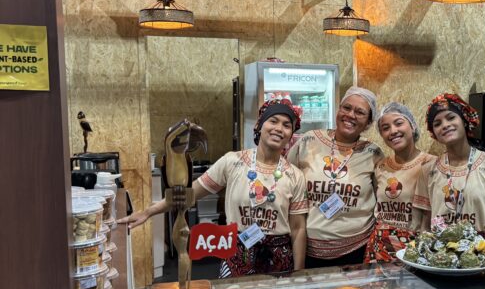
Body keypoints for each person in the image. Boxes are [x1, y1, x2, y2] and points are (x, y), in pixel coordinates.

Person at [118, 99, 308, 276]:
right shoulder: (233, 162)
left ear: (291, 134)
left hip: (279, 259)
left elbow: (298, 229)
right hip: (237, 255)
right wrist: (148, 212)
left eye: (286, 125)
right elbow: (188, 195)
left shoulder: (295, 176)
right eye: (273, 121)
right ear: (259, 125)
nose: (279, 129)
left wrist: (298, 275)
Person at [288, 86, 384, 268]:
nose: (351, 115)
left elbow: (383, 196)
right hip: (306, 249)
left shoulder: (373, 153)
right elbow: (286, 180)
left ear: (369, 123)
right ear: (338, 109)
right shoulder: (310, 140)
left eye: (360, 112)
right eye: (346, 108)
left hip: (356, 251)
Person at [414, 93, 485, 251]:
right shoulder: (428, 170)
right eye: (437, 123)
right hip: (440, 257)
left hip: (482, 254)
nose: (445, 125)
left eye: (451, 118)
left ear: (465, 121)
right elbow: (425, 223)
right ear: (433, 133)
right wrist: (423, 257)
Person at [364, 102, 435, 263]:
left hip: (415, 248)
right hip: (380, 248)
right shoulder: (380, 167)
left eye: (398, 123)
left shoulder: (431, 165)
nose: (393, 131)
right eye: (385, 128)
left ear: (413, 126)